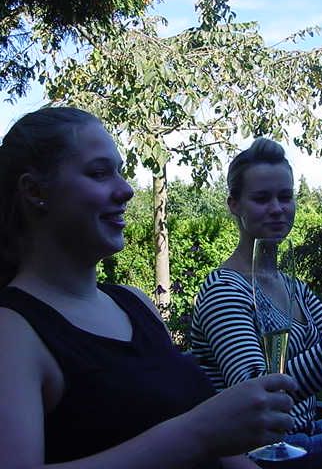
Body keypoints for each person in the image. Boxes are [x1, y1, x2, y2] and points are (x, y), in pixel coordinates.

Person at [0, 108, 298, 469]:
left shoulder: (135, 303)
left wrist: (206, 434)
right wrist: (197, 433)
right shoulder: (13, 331)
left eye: (120, 171)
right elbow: (202, 434)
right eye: (99, 173)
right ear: (34, 191)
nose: (126, 189)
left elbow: (224, 453)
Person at [191, 137, 322, 468]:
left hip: (312, 435)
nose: (277, 208)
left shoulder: (293, 287)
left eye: (285, 196)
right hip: (263, 453)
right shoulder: (224, 291)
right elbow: (257, 395)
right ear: (234, 205)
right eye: (262, 198)